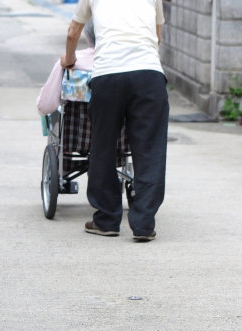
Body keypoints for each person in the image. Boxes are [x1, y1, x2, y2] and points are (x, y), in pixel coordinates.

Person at [60, 0, 169, 242]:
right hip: (148, 75)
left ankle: (106, 220)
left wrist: (68, 59)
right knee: (150, 149)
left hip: (108, 75)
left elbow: (72, 32)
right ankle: (143, 224)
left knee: (103, 146)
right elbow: (157, 37)